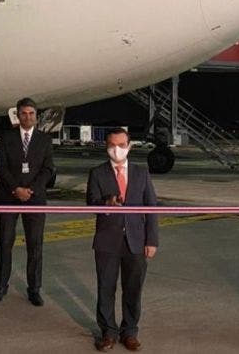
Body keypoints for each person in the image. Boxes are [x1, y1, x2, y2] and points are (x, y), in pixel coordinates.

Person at [86, 128, 158, 352]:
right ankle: (108, 332)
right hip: (107, 241)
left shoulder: (141, 173)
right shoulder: (97, 173)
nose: (116, 149)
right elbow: (91, 204)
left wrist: (152, 240)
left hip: (136, 241)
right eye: (111, 145)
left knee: (133, 289)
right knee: (106, 288)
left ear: (129, 146)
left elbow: (151, 208)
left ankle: (130, 331)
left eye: (121, 145)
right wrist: (107, 203)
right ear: (106, 146)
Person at [0, 98, 55, 306]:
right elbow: (1, 167)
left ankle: (34, 289)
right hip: (10, 196)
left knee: (35, 245)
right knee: (5, 243)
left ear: (36, 116)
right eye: (24, 113)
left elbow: (48, 169)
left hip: (34, 198)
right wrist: (15, 189)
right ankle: (1, 286)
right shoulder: (6, 137)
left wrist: (31, 190)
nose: (28, 117)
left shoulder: (44, 140)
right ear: (17, 115)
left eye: (31, 113)